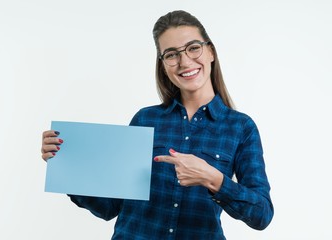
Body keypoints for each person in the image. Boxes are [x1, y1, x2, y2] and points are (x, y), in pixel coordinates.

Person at [41, 10, 273, 239]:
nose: (184, 61)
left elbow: (262, 215)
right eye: (171, 54)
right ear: (163, 64)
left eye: (193, 47)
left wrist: (213, 179)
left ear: (210, 51)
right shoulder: (145, 120)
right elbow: (109, 207)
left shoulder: (241, 127)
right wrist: (66, 164)